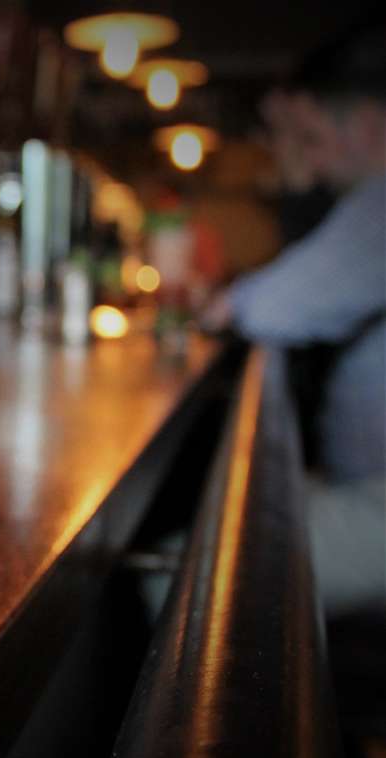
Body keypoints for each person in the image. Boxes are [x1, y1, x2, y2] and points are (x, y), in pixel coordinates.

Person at [204, 21, 385, 619]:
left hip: (376, 504)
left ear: (366, 125)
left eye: (308, 138)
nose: (305, 158)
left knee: (185, 582)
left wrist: (294, 179)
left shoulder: (380, 204)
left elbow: (261, 309)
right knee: (216, 512)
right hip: (356, 485)